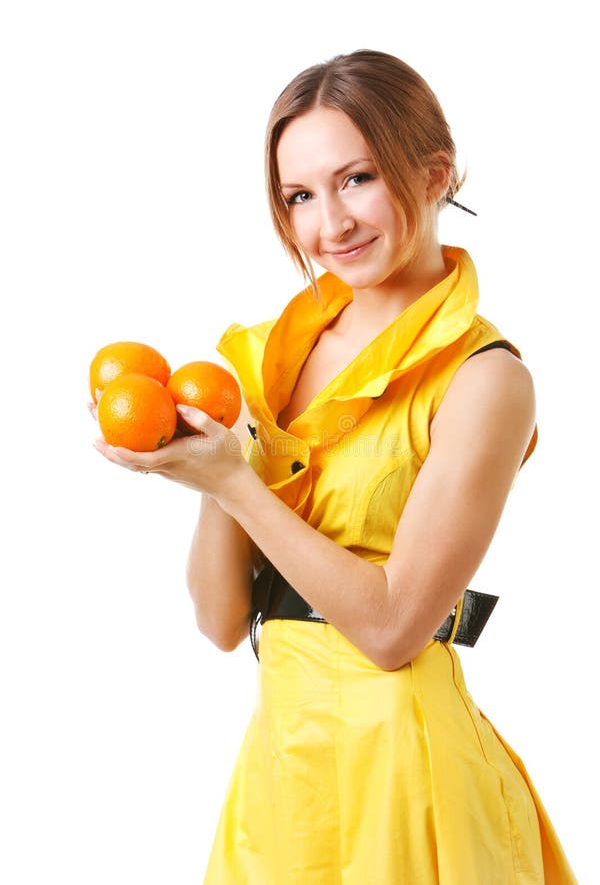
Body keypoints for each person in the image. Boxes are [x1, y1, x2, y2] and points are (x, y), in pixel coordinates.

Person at [95, 50, 576, 883]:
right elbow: (219, 623)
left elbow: (392, 630)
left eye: (356, 178)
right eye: (300, 196)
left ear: (433, 173)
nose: (330, 224)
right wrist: (219, 469)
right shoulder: (270, 358)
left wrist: (237, 482)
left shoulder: (486, 381)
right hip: (286, 774)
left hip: (407, 770)